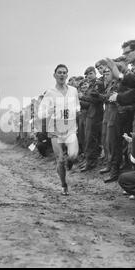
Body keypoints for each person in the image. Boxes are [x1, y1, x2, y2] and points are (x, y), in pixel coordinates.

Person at [38, 64, 80, 195]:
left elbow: (78, 107)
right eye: (59, 72)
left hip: (70, 127)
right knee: (59, 159)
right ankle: (63, 184)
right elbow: (41, 112)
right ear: (55, 75)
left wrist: (74, 112)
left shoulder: (73, 90)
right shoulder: (50, 93)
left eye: (64, 73)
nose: (62, 75)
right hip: (55, 129)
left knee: (73, 155)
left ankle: (70, 161)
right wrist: (51, 110)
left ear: (67, 75)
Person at [79, 67, 104, 171]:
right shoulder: (91, 86)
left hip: (96, 115)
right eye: (87, 75)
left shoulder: (98, 84)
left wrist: (82, 97)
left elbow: (96, 100)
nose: (89, 76)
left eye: (90, 74)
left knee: (91, 139)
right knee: (88, 139)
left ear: (94, 73)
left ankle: (91, 162)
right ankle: (89, 161)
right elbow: (88, 105)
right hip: (90, 115)